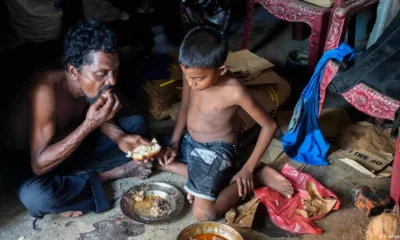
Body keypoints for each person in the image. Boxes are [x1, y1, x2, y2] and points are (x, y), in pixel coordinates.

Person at [0, 19, 153, 219]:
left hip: (69, 144)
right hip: (29, 159)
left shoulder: (90, 83)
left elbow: (97, 115)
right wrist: (89, 125)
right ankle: (111, 174)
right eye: (102, 73)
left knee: (136, 125)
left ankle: (75, 182)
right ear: (74, 71)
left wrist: (120, 138)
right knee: (38, 197)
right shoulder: (45, 90)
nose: (112, 80)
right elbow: (39, 164)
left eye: (115, 71)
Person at [156, 27, 294, 221]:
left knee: (204, 213)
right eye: (187, 75)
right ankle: (210, 176)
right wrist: (174, 142)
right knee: (152, 157)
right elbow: (185, 106)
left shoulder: (234, 91)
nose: (191, 83)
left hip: (217, 150)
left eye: (198, 79)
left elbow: (269, 126)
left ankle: (254, 175)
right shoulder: (192, 75)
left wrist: (247, 169)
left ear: (221, 70)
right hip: (191, 142)